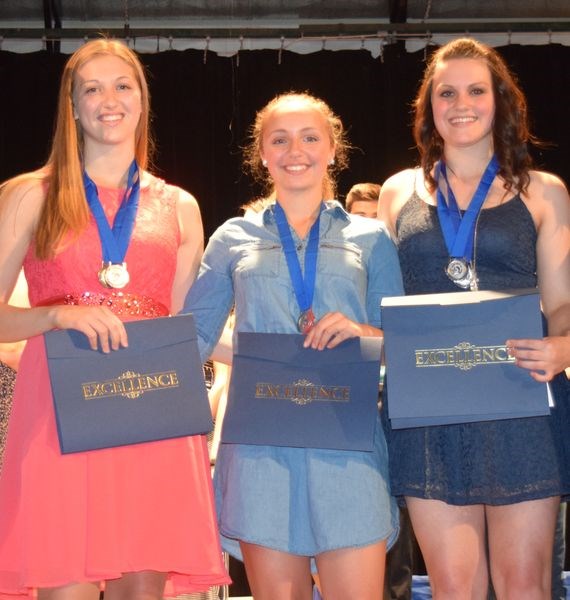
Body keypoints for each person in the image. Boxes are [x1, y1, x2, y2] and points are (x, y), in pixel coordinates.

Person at [0, 38, 230, 599]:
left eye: (123, 85)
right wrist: (56, 316)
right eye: (92, 88)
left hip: (147, 412)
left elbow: (182, 329)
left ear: (142, 100)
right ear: (72, 106)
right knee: (66, 586)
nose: (110, 99)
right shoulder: (33, 195)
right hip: (60, 412)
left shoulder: (179, 205)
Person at [183, 91, 404, 600]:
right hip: (261, 449)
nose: (294, 150)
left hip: (347, 443)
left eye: (309, 137)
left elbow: (401, 342)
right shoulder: (232, 237)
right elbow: (194, 335)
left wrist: (365, 333)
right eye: (279, 140)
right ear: (262, 154)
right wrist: (130, 383)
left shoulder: (372, 238)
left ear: (332, 148)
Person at [378, 37, 570, 599]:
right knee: (454, 587)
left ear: (500, 100)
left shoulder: (544, 192)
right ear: (429, 107)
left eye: (476, 90)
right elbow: (380, 301)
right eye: (447, 92)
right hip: (429, 408)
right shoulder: (397, 192)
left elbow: (561, 301)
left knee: (523, 586)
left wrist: (563, 347)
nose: (461, 103)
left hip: (519, 398)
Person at [344, 182, 417, 600]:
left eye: (375, 217)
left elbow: (401, 336)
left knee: (400, 537)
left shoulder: (391, 264)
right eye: (360, 216)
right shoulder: (338, 264)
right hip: (350, 410)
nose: (368, 224)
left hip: (400, 407)